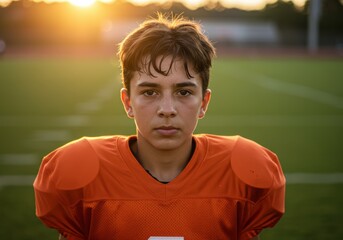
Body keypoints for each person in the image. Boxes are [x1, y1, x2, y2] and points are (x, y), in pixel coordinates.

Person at [34, 13, 285, 240]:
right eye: (150, 91)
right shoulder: (81, 170)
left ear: (204, 102)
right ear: (128, 102)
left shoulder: (242, 171)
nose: (167, 108)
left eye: (184, 92)